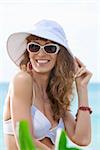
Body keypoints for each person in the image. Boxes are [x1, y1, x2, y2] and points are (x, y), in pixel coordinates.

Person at [3, 19, 92, 150]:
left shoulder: (56, 94)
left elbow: (83, 139)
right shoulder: (22, 80)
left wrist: (82, 88)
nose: (41, 53)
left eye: (50, 48)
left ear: (60, 55)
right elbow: (24, 141)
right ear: (28, 51)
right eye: (34, 46)